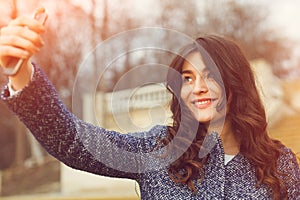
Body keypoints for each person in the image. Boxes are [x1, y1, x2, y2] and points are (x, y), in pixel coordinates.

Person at [0, 9, 299, 200]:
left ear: (236, 82)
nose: (199, 88)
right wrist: (20, 73)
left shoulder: (280, 164)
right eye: (188, 77)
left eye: (211, 75)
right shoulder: (159, 149)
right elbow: (72, 140)